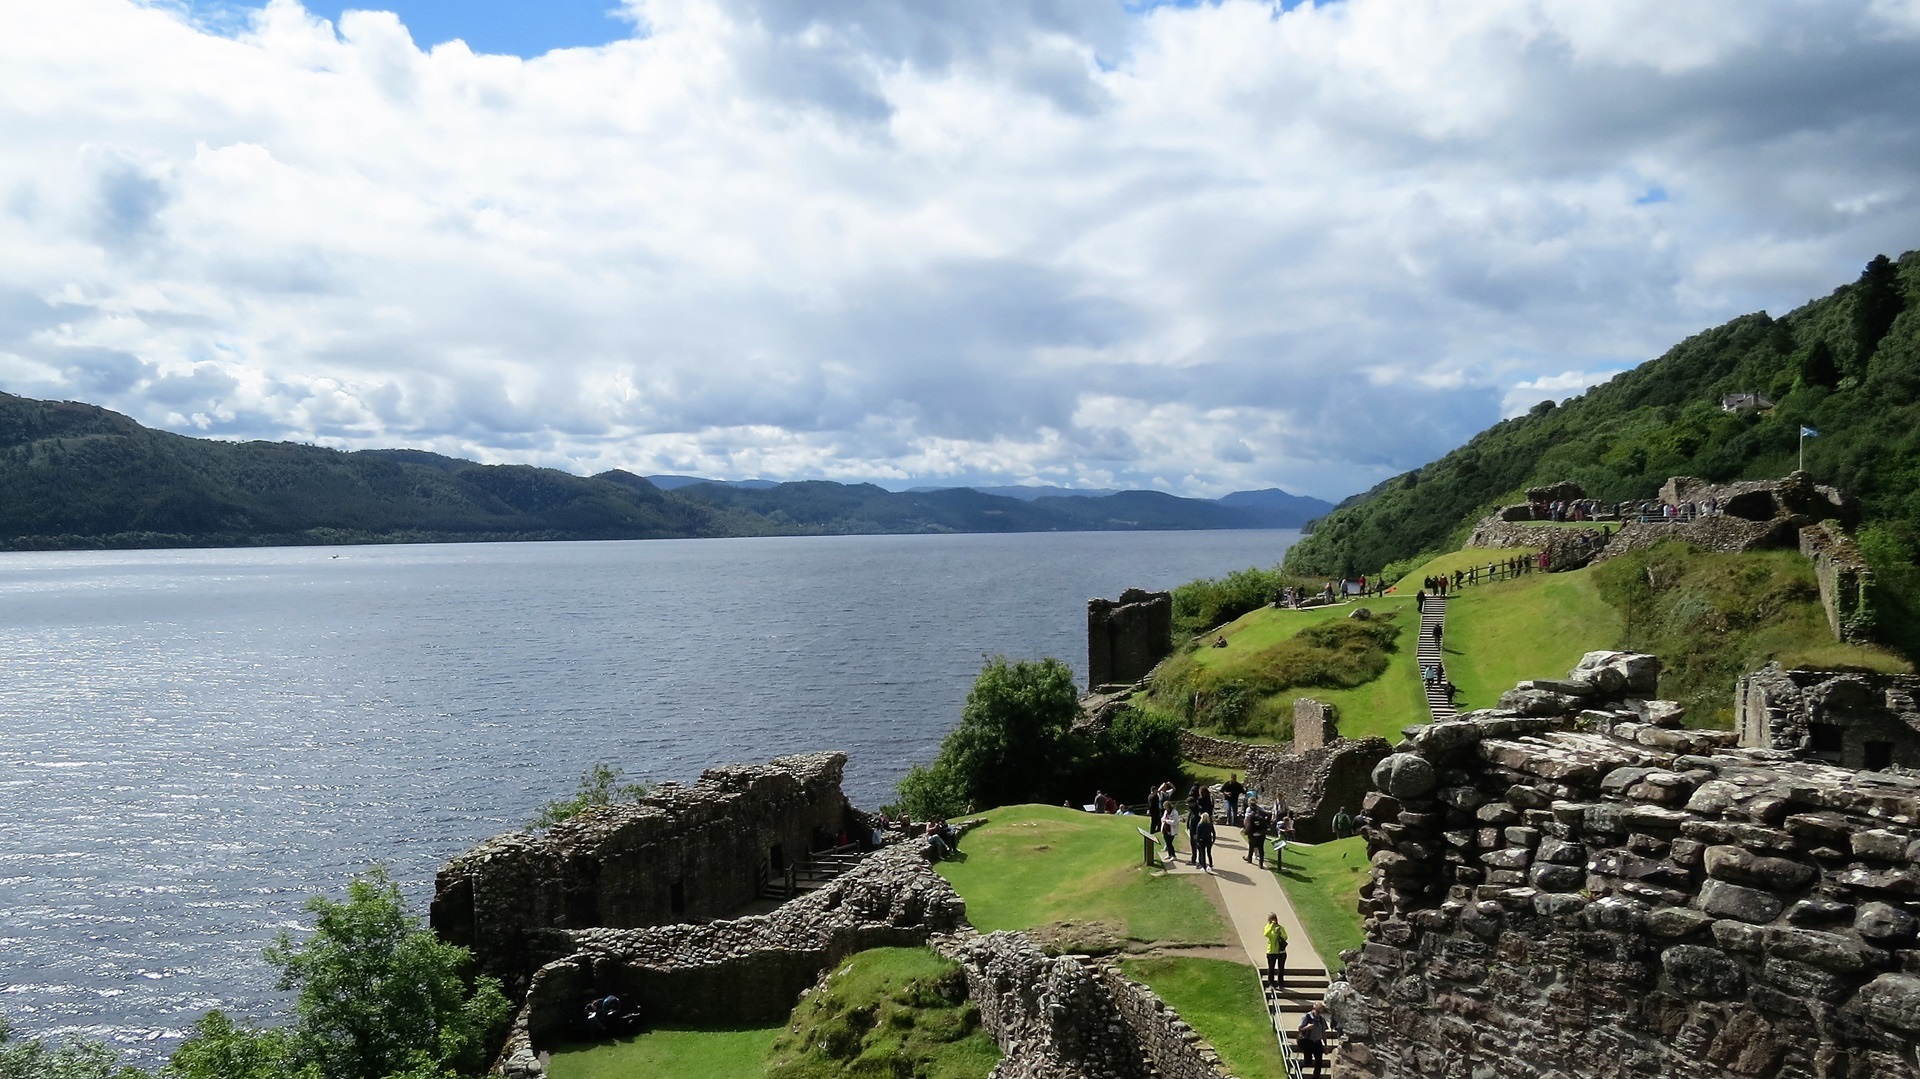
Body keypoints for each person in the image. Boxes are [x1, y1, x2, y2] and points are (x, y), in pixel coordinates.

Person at [1298, 1002, 1331, 1076]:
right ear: (1313, 1009)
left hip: (1317, 1042)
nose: (1318, 1013)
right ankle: (1300, 1064)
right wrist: (1307, 1027)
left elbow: (1323, 1033)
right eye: (1317, 1011)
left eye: (1320, 1011)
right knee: (1308, 1061)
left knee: (1319, 1063)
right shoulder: (1307, 1017)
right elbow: (1300, 1029)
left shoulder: (1321, 1019)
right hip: (1308, 1042)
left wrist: (1325, 1045)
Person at [1243, 799, 1269, 868]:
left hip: (1252, 833)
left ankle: (1249, 859)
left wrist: (1246, 831)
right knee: (1261, 848)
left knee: (1251, 847)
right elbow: (1268, 816)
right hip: (1261, 833)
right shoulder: (1262, 813)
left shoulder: (1250, 815)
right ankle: (1261, 863)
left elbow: (1247, 823)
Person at [1263, 913, 1288, 988]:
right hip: (1271, 951)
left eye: (1275, 919)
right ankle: (1271, 983)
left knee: (1281, 968)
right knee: (1271, 968)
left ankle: (1280, 983)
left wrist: (1280, 933)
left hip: (1281, 951)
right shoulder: (1268, 927)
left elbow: (1285, 937)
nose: (1274, 920)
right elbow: (1266, 934)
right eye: (1272, 919)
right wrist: (1271, 926)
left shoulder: (1280, 927)